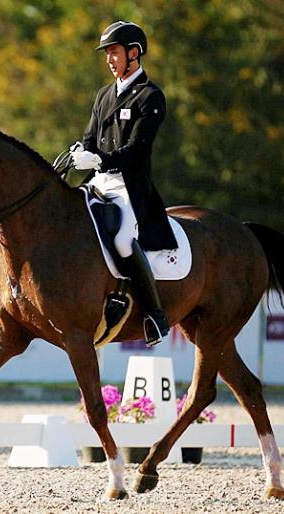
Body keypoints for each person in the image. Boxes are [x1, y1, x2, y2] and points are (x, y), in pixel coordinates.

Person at [70, 21, 177, 346]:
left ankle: (154, 315)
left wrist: (101, 159)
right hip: (98, 181)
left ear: (134, 53)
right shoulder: (104, 95)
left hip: (128, 186)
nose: (109, 59)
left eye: (114, 52)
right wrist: (81, 152)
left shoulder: (150, 96)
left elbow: (137, 150)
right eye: (107, 54)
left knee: (120, 240)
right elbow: (90, 138)